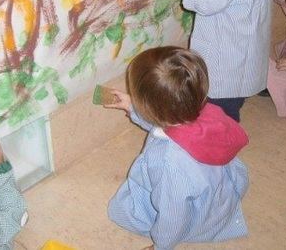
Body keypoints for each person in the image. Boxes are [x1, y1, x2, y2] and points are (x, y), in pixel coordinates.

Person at [103, 46, 249, 250]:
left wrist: (161, 246)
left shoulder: (169, 163)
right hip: (215, 194)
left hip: (191, 212)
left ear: (151, 109)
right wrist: (132, 108)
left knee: (122, 210)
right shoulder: (205, 112)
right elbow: (164, 123)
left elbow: (174, 215)